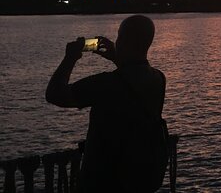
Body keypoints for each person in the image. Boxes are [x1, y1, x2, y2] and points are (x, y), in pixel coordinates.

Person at [45, 15, 167, 193]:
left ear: (123, 40)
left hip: (103, 182)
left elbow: (55, 94)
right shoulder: (158, 79)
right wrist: (117, 58)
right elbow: (132, 79)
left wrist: (70, 58)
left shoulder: (106, 84)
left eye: (119, 36)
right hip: (136, 180)